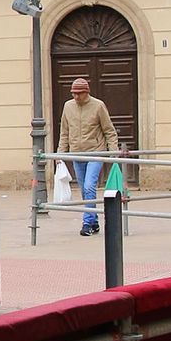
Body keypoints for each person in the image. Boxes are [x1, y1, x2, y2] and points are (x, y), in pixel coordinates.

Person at [58, 75, 118, 236]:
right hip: (77, 153)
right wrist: (60, 154)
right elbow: (64, 132)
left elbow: (109, 130)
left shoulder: (98, 106)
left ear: (87, 92)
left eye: (79, 93)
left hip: (95, 152)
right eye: (74, 93)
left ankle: (87, 223)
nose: (76, 96)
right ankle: (94, 220)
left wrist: (113, 152)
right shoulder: (68, 106)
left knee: (89, 186)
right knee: (84, 190)